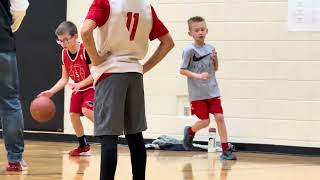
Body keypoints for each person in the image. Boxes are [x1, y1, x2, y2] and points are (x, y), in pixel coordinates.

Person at [81, 0, 174, 179]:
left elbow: (85, 31)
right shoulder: (146, 6)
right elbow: (168, 43)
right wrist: (143, 68)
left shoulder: (105, 2)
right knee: (135, 137)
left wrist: (96, 59)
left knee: (109, 138)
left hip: (110, 74)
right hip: (134, 74)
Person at [180, 16, 236, 160]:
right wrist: (198, 76)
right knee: (205, 121)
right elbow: (182, 70)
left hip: (212, 90)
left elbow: (215, 69)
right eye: (196, 30)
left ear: (207, 31)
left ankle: (226, 150)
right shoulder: (188, 50)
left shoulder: (211, 48)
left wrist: (216, 60)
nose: (200, 32)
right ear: (190, 33)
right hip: (197, 93)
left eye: (202, 29)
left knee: (220, 117)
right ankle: (190, 132)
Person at [39, 21, 94, 156]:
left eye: (65, 40)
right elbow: (64, 79)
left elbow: (94, 74)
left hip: (91, 87)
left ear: (75, 36)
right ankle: (83, 145)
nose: (63, 44)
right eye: (60, 41)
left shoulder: (85, 50)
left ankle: (108, 133)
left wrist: (80, 84)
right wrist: (51, 91)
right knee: (73, 115)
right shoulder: (64, 54)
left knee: (86, 110)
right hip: (78, 88)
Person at [0, 0, 29, 171]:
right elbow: (20, 7)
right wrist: (10, 26)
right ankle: (15, 160)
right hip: (2, 42)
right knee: (10, 103)